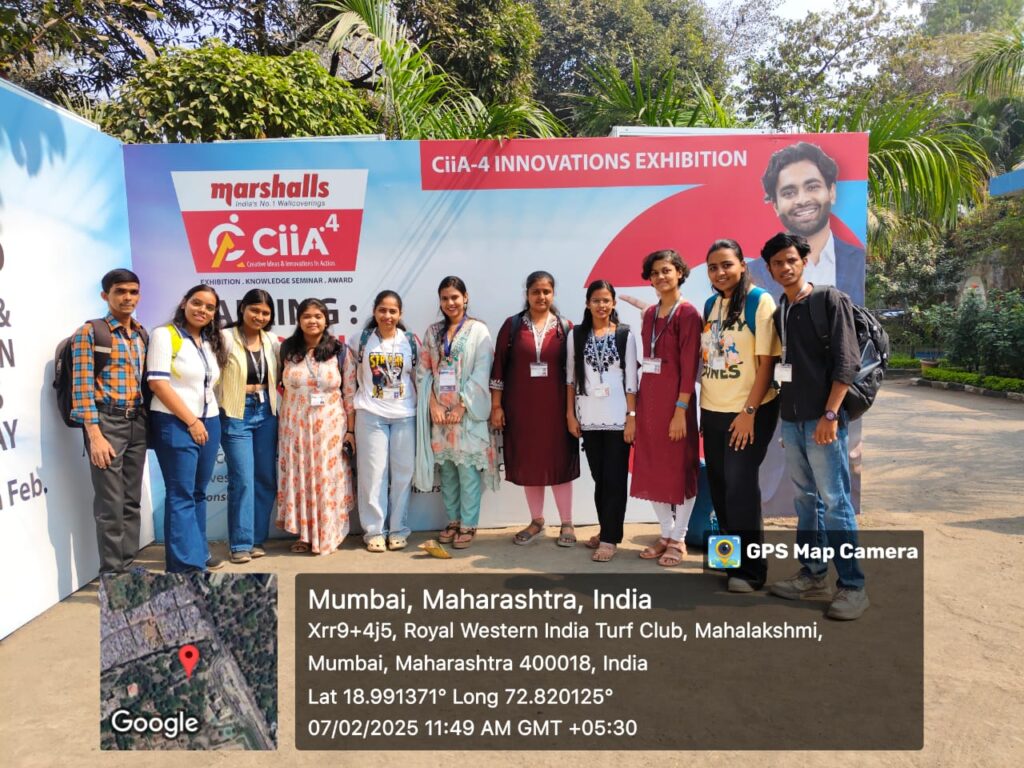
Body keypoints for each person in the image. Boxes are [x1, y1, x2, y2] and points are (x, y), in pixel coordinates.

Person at [762, 232, 869, 620]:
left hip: (824, 420)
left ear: (804, 261)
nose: (785, 267)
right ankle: (812, 575)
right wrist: (788, 422)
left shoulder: (829, 300)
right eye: (777, 263)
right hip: (793, 421)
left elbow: (847, 362)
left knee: (835, 501)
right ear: (770, 269)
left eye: (791, 260)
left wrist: (830, 416)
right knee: (806, 501)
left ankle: (852, 586)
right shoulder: (781, 310)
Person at [700, 240, 781, 591]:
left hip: (748, 412)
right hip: (713, 410)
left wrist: (749, 412)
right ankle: (728, 560)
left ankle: (750, 571)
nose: (720, 272)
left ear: (742, 266)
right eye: (713, 267)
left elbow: (767, 364)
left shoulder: (759, 301)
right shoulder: (711, 305)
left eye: (727, 265)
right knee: (719, 489)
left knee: (740, 490)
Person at [490, 271, 581, 547]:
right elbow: (499, 368)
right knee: (530, 464)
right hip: (522, 410)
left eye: (546, 291)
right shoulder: (512, 326)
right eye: (535, 292)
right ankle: (537, 520)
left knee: (559, 463)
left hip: (557, 411)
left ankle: (567, 522)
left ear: (553, 294)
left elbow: (573, 374)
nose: (541, 296)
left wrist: (571, 413)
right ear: (527, 294)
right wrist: (496, 405)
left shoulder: (565, 327)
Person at [70, 268, 148, 574]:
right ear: (106, 295)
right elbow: (81, 388)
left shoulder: (140, 333)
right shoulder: (90, 333)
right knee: (110, 505)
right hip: (107, 424)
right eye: (120, 292)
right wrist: (95, 435)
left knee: (130, 503)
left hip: (137, 421)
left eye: (133, 292)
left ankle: (127, 568)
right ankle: (113, 576)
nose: (128, 297)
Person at [147, 284, 228, 573]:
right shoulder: (164, 334)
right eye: (197, 303)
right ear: (184, 303)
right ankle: (185, 565)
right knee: (181, 493)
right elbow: (158, 383)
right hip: (175, 422)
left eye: (209, 307)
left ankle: (198, 551)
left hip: (210, 421)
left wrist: (203, 422)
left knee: (197, 493)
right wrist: (192, 422)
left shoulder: (208, 341)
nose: (202, 310)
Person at [414, 276, 499, 549]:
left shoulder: (478, 330)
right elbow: (423, 372)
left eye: (455, 297)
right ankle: (453, 520)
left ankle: (468, 524)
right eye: (445, 298)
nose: (450, 302)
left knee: (467, 472)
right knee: (448, 472)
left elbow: (483, 370)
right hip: (440, 415)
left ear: (465, 298)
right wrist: (433, 405)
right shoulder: (433, 332)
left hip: (467, 414)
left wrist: (463, 405)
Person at [631, 250, 701, 567]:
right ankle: (665, 533)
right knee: (652, 468)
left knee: (680, 470)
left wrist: (680, 410)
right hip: (649, 402)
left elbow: (689, 368)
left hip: (677, 404)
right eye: (655, 272)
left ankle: (679, 537)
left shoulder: (688, 314)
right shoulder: (649, 314)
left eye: (666, 270)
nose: (660, 277)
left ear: (680, 273)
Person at [276, 298, 356, 556]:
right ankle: (305, 534)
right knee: (301, 476)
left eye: (318, 316)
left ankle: (328, 531)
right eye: (307, 316)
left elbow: (350, 394)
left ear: (326, 320)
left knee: (326, 478)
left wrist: (350, 431)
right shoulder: (287, 349)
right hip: (295, 426)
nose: (313, 321)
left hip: (330, 428)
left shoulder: (339, 350)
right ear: (299, 320)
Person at [566, 280, 638, 562]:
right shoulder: (576, 335)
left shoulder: (624, 334)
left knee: (615, 480)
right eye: (596, 300)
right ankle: (607, 528)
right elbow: (570, 379)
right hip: (589, 419)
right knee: (600, 480)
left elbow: (631, 380)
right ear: (588, 304)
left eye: (606, 300)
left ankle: (609, 538)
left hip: (618, 419)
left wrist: (631, 417)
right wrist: (570, 414)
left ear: (614, 303)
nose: (601, 305)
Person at [748, 141, 866, 305]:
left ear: (831, 192)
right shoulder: (753, 273)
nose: (802, 200)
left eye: (812, 187)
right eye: (789, 193)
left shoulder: (859, 261)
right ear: (776, 206)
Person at [353, 290, 419, 553]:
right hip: (371, 414)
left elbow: (419, 378)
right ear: (374, 311)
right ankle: (374, 532)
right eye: (382, 310)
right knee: (373, 475)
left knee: (403, 475)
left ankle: (398, 529)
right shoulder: (360, 340)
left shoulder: (410, 341)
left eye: (393, 311)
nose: (387, 315)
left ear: (400, 314)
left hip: (404, 415)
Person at [216, 289, 279, 565]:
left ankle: (256, 540)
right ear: (242, 308)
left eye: (265, 313)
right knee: (242, 478)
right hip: (236, 412)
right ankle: (240, 543)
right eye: (255, 310)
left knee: (264, 477)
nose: (259, 316)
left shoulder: (271, 340)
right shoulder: (224, 337)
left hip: (266, 412)